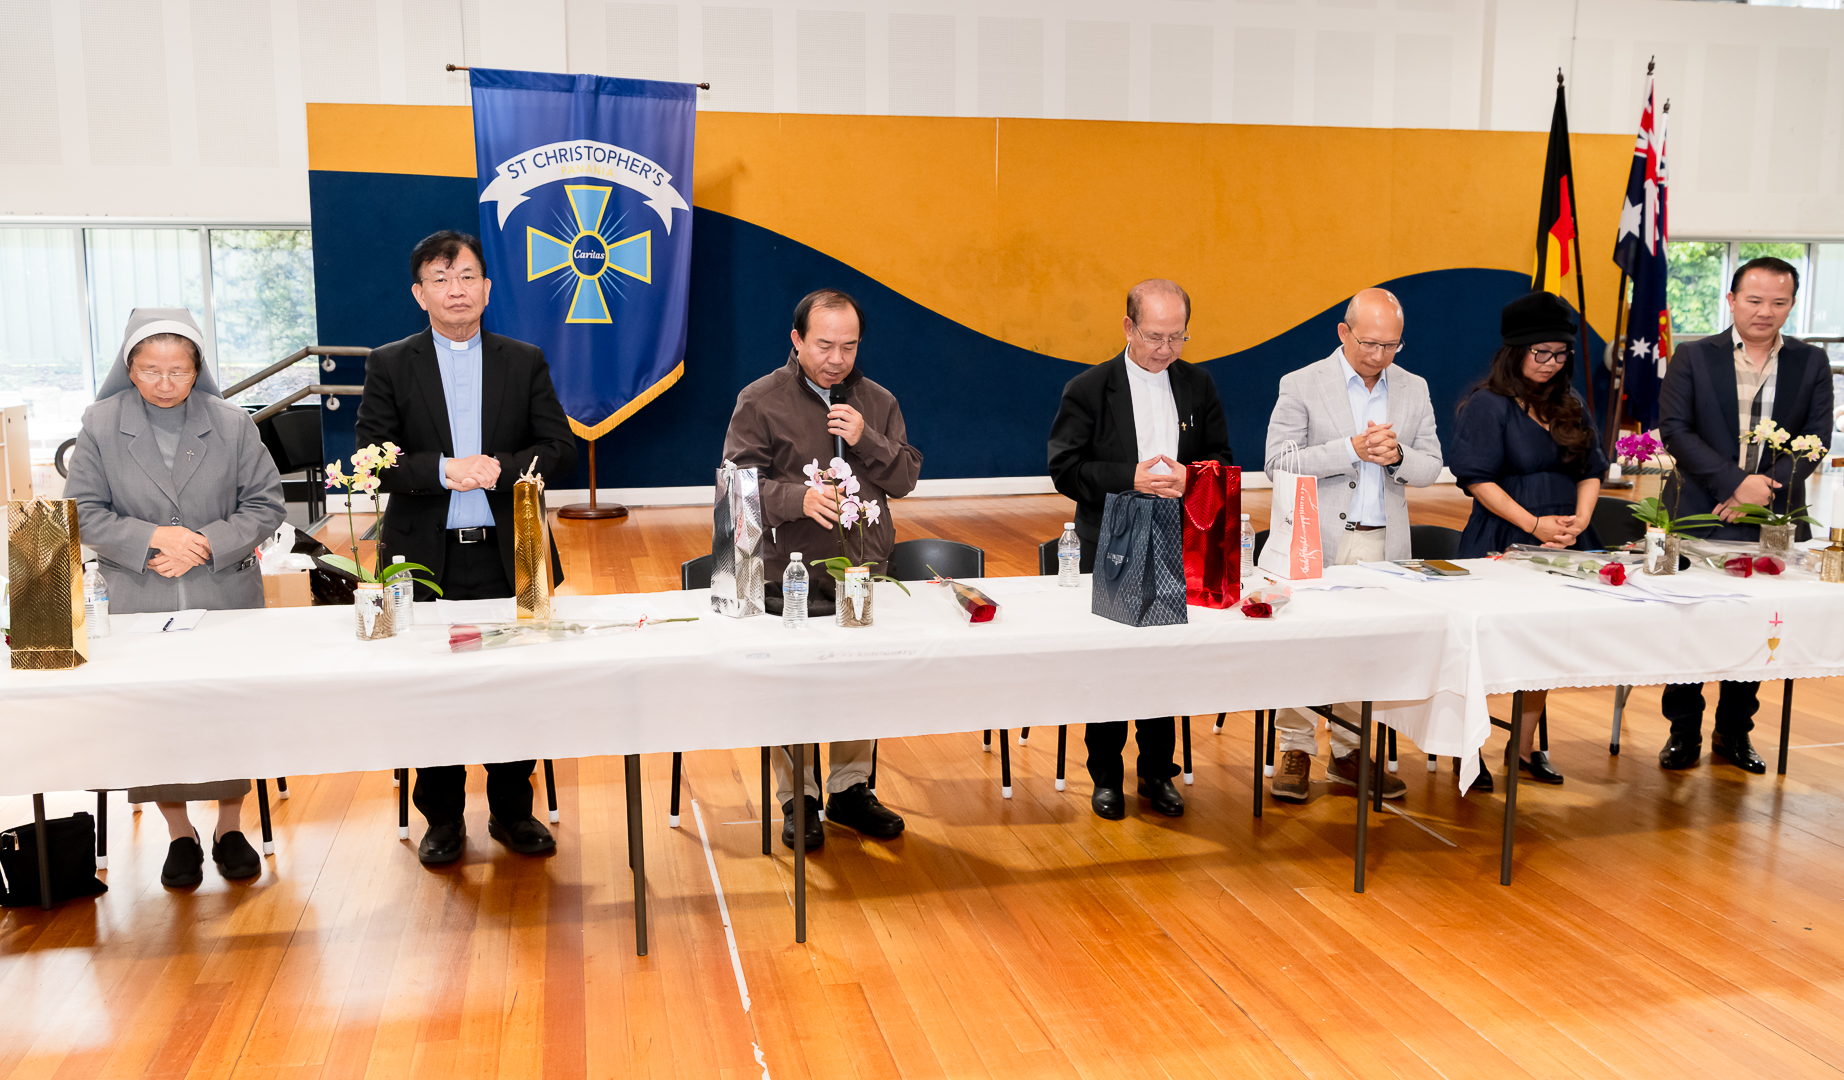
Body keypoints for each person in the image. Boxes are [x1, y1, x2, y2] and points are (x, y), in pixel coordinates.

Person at [355, 230, 576, 864]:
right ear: (419, 294)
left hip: (511, 550)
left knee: (515, 681)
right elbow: (373, 458)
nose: (457, 290)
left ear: (487, 287)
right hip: (423, 556)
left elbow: (557, 446)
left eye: (468, 276)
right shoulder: (390, 363)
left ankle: (512, 810)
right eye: (441, 279)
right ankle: (443, 818)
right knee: (430, 687)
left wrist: (500, 468)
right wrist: (444, 470)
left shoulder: (523, 359)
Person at [63, 308, 287, 888]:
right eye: (150, 370)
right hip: (139, 595)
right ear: (129, 368)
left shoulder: (232, 423)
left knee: (229, 710)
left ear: (197, 369)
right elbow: (82, 511)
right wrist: (154, 538)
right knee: (155, 716)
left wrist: (204, 543)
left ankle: (230, 828)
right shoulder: (101, 423)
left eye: (178, 371)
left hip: (224, 591)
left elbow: (266, 503)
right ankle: (180, 833)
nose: (165, 383)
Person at [722, 288, 921, 850]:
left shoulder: (877, 401)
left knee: (861, 680)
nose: (837, 359)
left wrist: (866, 438)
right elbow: (736, 490)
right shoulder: (760, 400)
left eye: (849, 347)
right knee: (795, 686)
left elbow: (905, 478)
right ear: (797, 339)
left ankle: (850, 790)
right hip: (787, 574)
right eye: (824, 345)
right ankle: (799, 798)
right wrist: (797, 499)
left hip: (861, 571)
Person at [1046, 279, 1233, 821]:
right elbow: (1065, 468)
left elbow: (1221, 458)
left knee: (1164, 660)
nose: (1166, 349)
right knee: (1110, 658)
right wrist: (1128, 477)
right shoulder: (1088, 388)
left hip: (1178, 537)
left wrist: (1192, 478)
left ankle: (1157, 772)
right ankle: (1105, 774)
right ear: (1128, 327)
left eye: (1178, 337)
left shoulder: (1198, 384)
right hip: (1111, 539)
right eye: (1155, 336)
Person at [1262, 287, 1443, 803]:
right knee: (1302, 645)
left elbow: (1432, 466)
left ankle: (1348, 751)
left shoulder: (1414, 388)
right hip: (1313, 539)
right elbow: (1278, 463)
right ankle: (1295, 748)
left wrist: (1397, 456)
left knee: (1365, 650)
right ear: (1344, 332)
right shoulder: (1301, 383)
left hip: (1382, 543)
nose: (1379, 356)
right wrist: (1350, 450)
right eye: (1369, 343)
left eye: (1391, 346)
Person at [1655, 256, 1834, 773]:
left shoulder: (1811, 362)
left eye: (1778, 302)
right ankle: (1682, 731)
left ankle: (1734, 732)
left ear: (1792, 305)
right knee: (1690, 622)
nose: (1765, 312)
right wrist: (1734, 483)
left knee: (1757, 625)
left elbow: (1817, 438)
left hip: (1771, 518)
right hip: (1698, 511)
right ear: (1732, 300)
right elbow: (1675, 429)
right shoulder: (1693, 356)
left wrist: (1760, 493)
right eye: (1754, 300)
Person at [1449, 291, 1608, 787]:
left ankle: (1522, 749)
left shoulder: (1570, 402)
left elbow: (1591, 469)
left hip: (1566, 540)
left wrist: (1580, 520)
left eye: (1560, 354)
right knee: (1483, 649)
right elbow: (1476, 479)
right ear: (1515, 351)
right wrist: (1534, 525)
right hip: (1504, 535)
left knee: (1544, 644)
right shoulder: (1487, 405)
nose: (1550, 363)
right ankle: (1467, 751)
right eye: (1540, 353)